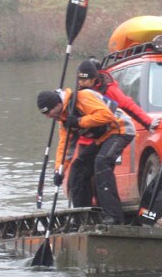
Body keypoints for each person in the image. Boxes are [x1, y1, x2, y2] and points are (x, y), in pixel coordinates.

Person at [37, 85, 135, 225]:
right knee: (78, 168)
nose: (48, 116)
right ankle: (82, 217)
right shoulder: (63, 119)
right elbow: (65, 147)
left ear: (58, 104)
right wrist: (59, 170)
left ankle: (114, 216)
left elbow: (106, 115)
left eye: (49, 112)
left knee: (102, 162)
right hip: (103, 138)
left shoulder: (82, 97)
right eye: (45, 114)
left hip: (120, 129)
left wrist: (79, 121)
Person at [76, 58, 160, 133]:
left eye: (85, 80)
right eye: (80, 79)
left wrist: (148, 122)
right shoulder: (79, 92)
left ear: (94, 78)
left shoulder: (108, 89)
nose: (81, 83)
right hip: (87, 135)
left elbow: (128, 105)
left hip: (110, 132)